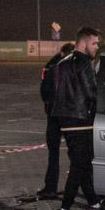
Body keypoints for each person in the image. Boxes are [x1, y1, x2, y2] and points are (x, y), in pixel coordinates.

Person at [51, 27, 105, 210]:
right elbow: (91, 93)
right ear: (83, 43)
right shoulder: (84, 63)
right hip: (81, 121)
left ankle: (95, 205)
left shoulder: (61, 64)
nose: (96, 47)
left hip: (64, 120)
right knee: (79, 166)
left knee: (84, 164)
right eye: (94, 43)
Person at [37, 42, 74, 199]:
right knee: (75, 155)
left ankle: (51, 187)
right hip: (67, 117)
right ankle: (78, 186)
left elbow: (44, 93)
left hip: (54, 115)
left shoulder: (50, 68)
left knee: (55, 154)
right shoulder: (67, 68)